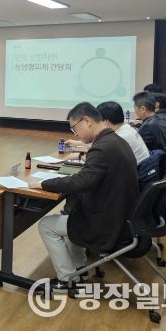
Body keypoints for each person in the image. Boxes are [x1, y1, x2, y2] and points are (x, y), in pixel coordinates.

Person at [29, 102, 139, 290]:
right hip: (122, 216)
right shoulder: (115, 141)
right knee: (73, 211)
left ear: (87, 121)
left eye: (74, 128)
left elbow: (82, 182)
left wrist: (44, 184)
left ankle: (67, 279)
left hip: (108, 224)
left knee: (46, 225)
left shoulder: (102, 147)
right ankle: (80, 269)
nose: (75, 134)